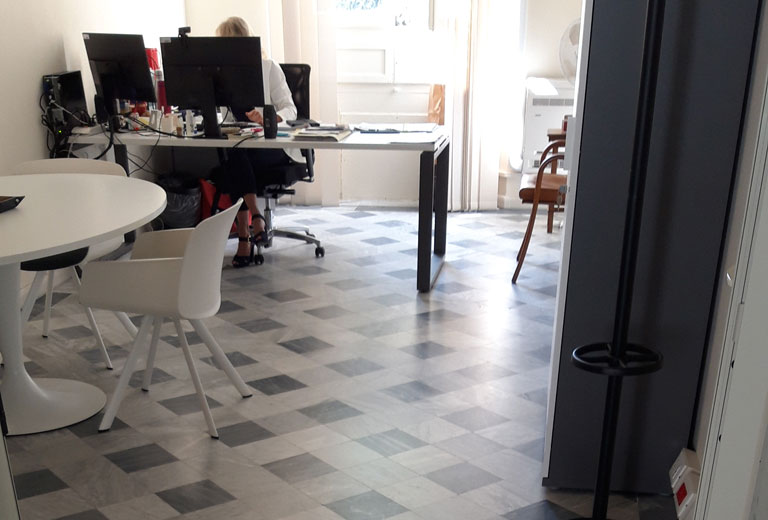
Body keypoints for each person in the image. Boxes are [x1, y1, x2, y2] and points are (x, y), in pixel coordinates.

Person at [215, 16, 303, 267]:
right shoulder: (220, 76)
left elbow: (290, 109)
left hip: (272, 148)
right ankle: (256, 219)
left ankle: (245, 236)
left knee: (235, 159)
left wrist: (268, 117)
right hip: (242, 146)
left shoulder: (269, 67)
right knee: (235, 154)